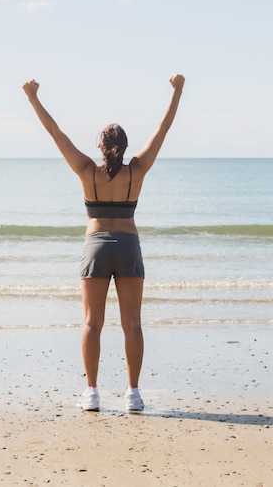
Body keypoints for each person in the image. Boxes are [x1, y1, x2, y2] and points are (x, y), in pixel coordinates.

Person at [22, 74, 185, 412]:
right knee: (132, 324)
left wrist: (33, 97)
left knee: (91, 323)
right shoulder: (136, 171)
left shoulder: (86, 170)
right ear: (124, 147)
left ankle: (92, 393)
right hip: (128, 245)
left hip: (96, 246)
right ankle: (133, 394)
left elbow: (55, 132)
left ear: (100, 146)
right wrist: (177, 91)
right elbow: (163, 129)